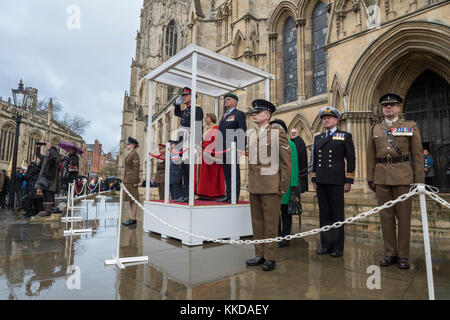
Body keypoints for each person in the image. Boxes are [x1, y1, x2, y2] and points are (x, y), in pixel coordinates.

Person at [367, 93, 424, 270]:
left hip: (403, 176)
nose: (388, 108)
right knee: (386, 217)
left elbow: (417, 154)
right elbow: (370, 155)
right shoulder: (375, 129)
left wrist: (419, 181)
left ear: (399, 108)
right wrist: (370, 177)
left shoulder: (410, 126)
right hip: (382, 176)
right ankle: (390, 253)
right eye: (386, 106)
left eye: (392, 105)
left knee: (404, 218)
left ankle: (403, 255)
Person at [245, 99, 291, 272]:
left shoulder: (277, 132)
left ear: (267, 115)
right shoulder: (253, 134)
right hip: (255, 184)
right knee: (257, 222)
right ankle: (260, 254)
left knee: (271, 223)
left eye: (258, 112)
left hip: (271, 184)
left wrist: (283, 184)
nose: (254, 115)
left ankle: (270, 257)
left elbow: (286, 161)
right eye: (254, 112)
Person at [312, 106, 355, 258]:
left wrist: (349, 180)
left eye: (329, 117)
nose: (326, 120)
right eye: (324, 118)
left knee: (337, 215)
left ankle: (337, 247)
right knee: (324, 215)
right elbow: (315, 160)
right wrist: (314, 178)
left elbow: (351, 159)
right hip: (322, 181)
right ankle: (326, 245)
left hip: (337, 181)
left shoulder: (345, 136)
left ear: (336, 120)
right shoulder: (318, 138)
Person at [271, 120, 299, 248]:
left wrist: (292, 185)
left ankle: (285, 236)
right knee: (274, 213)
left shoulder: (290, 144)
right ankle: (276, 236)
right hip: (271, 184)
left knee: (285, 213)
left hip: (284, 185)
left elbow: (292, 167)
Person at [173, 87, 204, 203]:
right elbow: (177, 113)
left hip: (190, 143)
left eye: (185, 95)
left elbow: (198, 127)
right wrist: (176, 104)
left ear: (192, 96)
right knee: (184, 171)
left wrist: (195, 144)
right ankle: (185, 195)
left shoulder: (197, 109)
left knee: (188, 170)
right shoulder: (186, 110)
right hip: (183, 143)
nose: (183, 97)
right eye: (183, 96)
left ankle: (189, 195)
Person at [217, 93, 247, 203]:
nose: (225, 101)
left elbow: (242, 131)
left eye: (228, 99)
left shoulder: (239, 114)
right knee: (227, 174)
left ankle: (234, 196)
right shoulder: (224, 116)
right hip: (224, 149)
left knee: (234, 173)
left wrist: (241, 148)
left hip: (233, 148)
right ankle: (228, 195)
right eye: (225, 99)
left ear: (235, 102)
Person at [197, 113, 226, 200]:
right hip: (205, 153)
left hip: (211, 154)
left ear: (212, 118)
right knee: (205, 175)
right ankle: (204, 193)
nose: (205, 119)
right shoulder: (208, 129)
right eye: (205, 117)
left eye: (207, 117)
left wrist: (211, 153)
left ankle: (212, 194)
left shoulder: (215, 128)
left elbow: (215, 142)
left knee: (211, 175)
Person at [35, 143, 60, 217]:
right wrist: (38, 147)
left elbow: (55, 157)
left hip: (51, 179)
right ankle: (46, 211)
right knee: (45, 194)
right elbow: (38, 155)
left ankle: (48, 211)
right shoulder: (46, 157)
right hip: (45, 178)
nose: (49, 152)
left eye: (51, 151)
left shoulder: (55, 158)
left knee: (49, 195)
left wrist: (50, 149)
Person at [122, 137, 141, 227]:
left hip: (131, 180)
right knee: (130, 199)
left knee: (134, 199)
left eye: (128, 144)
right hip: (127, 179)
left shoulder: (135, 155)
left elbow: (136, 168)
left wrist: (135, 180)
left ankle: (133, 219)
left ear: (133, 145)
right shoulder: (130, 154)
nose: (127, 145)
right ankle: (131, 218)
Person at [290, 128, 308, 193]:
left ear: (297, 133)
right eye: (292, 133)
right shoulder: (291, 141)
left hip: (299, 167)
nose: (293, 134)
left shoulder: (300, 141)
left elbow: (299, 154)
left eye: (294, 132)